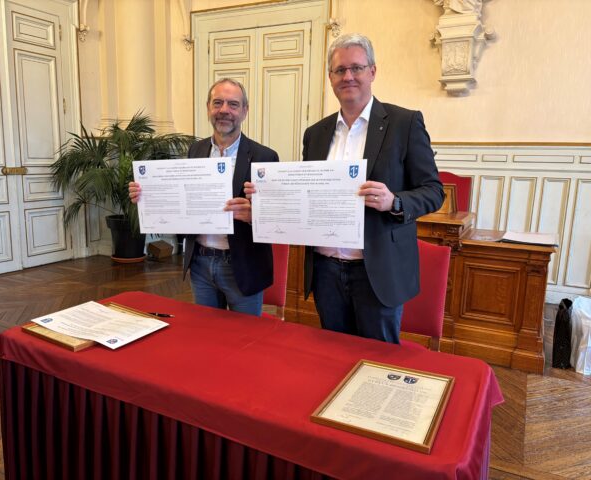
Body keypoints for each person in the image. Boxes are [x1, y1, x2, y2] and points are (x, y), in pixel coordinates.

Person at [301, 33, 444, 343]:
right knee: (334, 356)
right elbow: (307, 194)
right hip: (325, 271)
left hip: (376, 271)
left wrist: (394, 201)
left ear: (372, 71)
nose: (348, 76)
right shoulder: (315, 133)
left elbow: (434, 191)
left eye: (356, 68)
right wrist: (269, 198)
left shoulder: (404, 123)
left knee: (377, 362)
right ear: (330, 77)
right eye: (340, 70)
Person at [129, 78, 279, 315]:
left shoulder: (265, 156)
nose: (224, 110)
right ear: (208, 107)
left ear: (244, 111)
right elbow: (182, 198)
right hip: (200, 263)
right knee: (206, 332)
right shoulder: (195, 150)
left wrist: (254, 216)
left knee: (245, 335)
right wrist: (146, 195)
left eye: (233, 104)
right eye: (217, 103)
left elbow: (278, 217)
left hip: (242, 266)